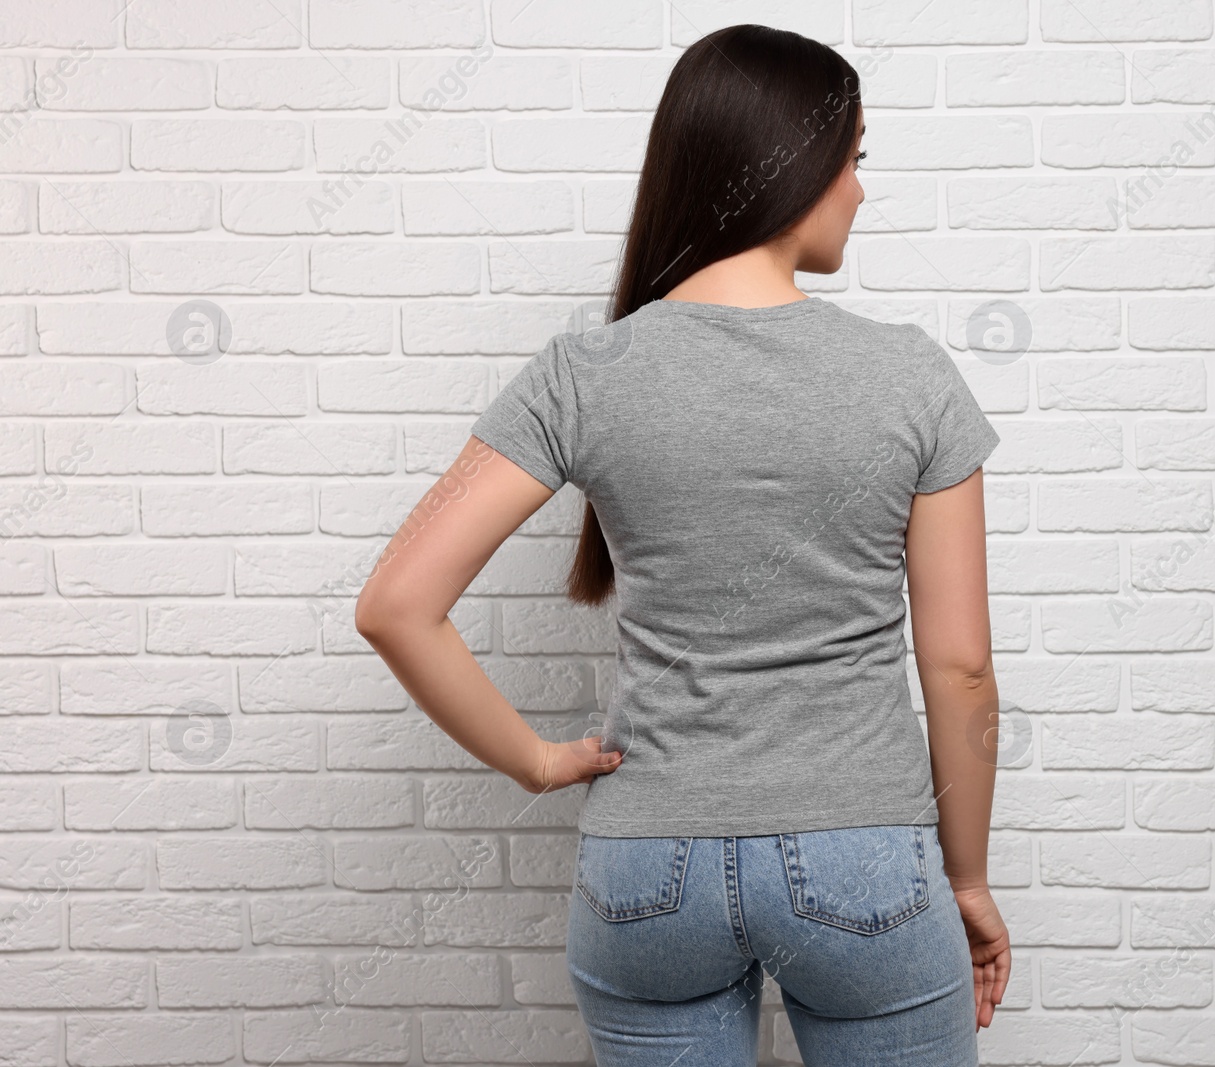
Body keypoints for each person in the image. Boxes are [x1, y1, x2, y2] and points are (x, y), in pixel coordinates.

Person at [355, 23, 1010, 1066]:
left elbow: (395, 603)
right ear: (798, 166)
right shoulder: (911, 376)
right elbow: (962, 668)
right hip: (865, 863)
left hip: (647, 868)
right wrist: (965, 877)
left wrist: (535, 761)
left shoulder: (585, 373)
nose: (859, 191)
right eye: (856, 159)